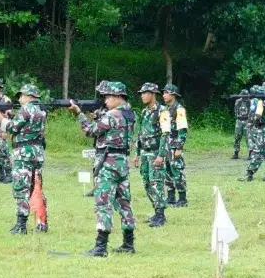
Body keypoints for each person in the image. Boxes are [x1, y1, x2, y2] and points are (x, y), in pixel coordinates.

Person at [71, 81, 137, 257]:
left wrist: (79, 114)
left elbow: (91, 131)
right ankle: (128, 243)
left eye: (108, 97)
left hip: (108, 162)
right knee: (124, 202)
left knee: (103, 203)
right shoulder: (130, 114)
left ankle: (100, 247)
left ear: (118, 97)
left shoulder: (112, 115)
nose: (105, 100)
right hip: (122, 161)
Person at [0, 84, 48, 234]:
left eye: (21, 95)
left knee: (21, 186)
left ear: (29, 96)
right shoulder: (41, 110)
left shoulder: (26, 109)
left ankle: (21, 225)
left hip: (24, 152)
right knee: (36, 186)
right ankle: (42, 222)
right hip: (37, 151)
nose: (19, 98)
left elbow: (12, 128)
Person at [134, 82, 167, 227]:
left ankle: (160, 214)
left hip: (155, 153)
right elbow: (140, 133)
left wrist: (161, 155)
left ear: (153, 94)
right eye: (141, 93)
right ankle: (155, 210)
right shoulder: (144, 112)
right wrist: (137, 154)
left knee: (157, 183)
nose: (142, 95)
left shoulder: (163, 111)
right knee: (147, 182)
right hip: (145, 152)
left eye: (145, 93)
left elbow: (166, 135)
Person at [241, 83, 265, 182]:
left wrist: (254, 123)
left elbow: (258, 113)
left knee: (258, 150)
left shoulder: (261, 100)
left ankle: (249, 173)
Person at [160, 84, 188, 207]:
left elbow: (182, 130)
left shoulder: (179, 109)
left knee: (177, 171)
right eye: (164, 93)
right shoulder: (165, 109)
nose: (164, 95)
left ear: (173, 95)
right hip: (166, 145)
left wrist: (179, 147)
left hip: (174, 146)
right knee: (167, 172)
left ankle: (182, 198)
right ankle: (171, 196)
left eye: (166, 93)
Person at [233, 89, 251, 160]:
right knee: (237, 137)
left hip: (247, 121)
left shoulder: (250, 102)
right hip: (239, 121)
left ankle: (250, 154)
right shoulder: (237, 101)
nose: (244, 97)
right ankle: (236, 153)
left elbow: (252, 112)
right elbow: (235, 110)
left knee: (248, 138)